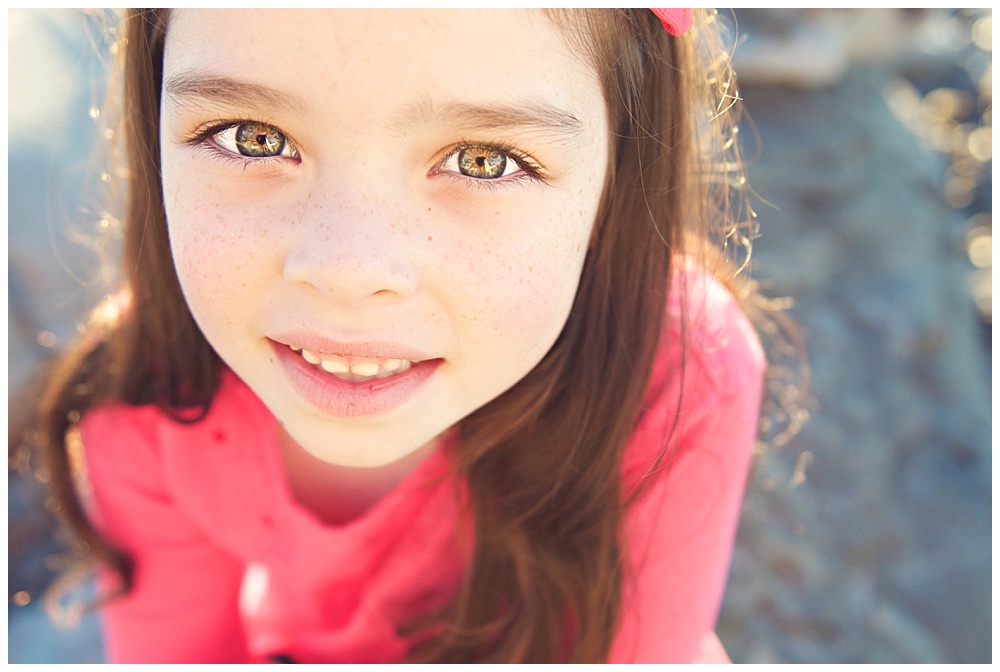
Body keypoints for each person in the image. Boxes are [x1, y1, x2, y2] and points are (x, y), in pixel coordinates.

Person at [36, 9, 767, 663]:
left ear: (618, 175)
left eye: (485, 159)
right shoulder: (148, 403)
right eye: (251, 138)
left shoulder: (679, 374)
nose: (348, 270)